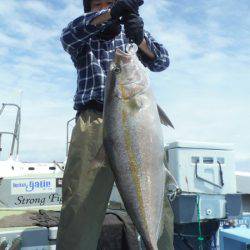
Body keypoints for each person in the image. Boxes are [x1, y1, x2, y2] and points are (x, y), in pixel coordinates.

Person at [56, 0, 174, 249]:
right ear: (89, 10)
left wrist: (140, 37)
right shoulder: (84, 36)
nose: (105, 7)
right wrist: (109, 14)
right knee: (81, 203)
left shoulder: (129, 35)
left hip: (138, 123)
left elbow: (161, 61)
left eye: (111, 2)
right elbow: (68, 35)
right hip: (95, 123)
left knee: (156, 199)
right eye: (98, 4)